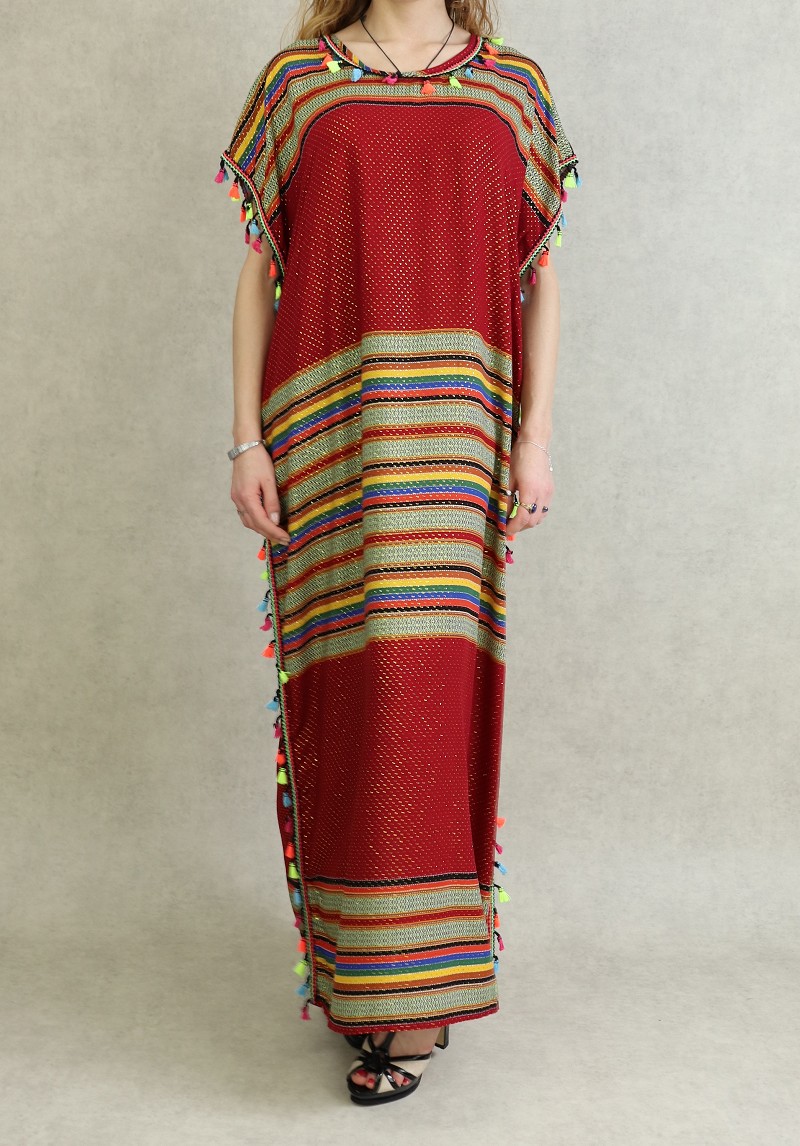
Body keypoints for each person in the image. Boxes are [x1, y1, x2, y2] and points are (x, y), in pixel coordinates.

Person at [216, 0, 580, 1106]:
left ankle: (418, 989)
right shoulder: (298, 84)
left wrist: (534, 439)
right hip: (329, 432)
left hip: (456, 438)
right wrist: (245, 439)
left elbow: (540, 276)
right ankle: (362, 977)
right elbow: (259, 270)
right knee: (348, 695)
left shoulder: (510, 87)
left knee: (431, 693)